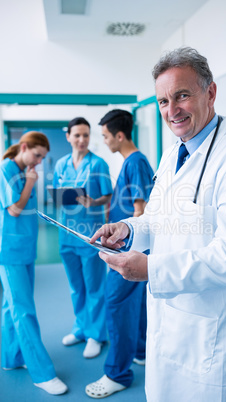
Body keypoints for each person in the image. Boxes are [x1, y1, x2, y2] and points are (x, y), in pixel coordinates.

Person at [89, 48, 226, 401]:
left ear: (210, 93)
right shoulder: (174, 152)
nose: (172, 110)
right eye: (162, 101)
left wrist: (152, 269)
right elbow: (158, 217)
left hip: (212, 331)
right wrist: (128, 228)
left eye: (182, 95)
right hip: (168, 321)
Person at [85, 109, 154, 399]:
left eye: (105, 136)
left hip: (129, 252)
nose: (104, 142)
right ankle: (139, 351)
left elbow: (142, 211)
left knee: (116, 305)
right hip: (126, 246)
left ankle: (118, 374)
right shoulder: (130, 162)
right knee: (134, 306)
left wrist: (129, 252)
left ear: (120, 135)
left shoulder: (135, 162)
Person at [0, 131, 68, 395]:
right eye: (37, 155)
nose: (38, 162)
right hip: (10, 251)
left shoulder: (21, 169)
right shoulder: (7, 168)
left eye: (41, 158)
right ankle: (42, 373)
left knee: (10, 306)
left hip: (24, 248)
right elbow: (14, 209)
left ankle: (11, 358)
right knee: (23, 310)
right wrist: (30, 182)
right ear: (24, 147)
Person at [53, 117, 112, 359]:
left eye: (86, 135)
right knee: (76, 287)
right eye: (77, 135)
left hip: (90, 234)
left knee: (94, 287)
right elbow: (57, 194)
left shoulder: (98, 164)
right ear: (68, 137)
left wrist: (93, 201)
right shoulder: (60, 164)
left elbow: (108, 195)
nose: (81, 140)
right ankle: (80, 328)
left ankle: (95, 335)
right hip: (66, 233)